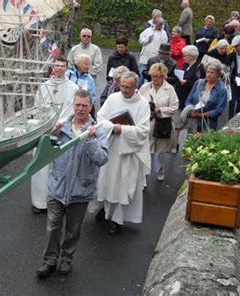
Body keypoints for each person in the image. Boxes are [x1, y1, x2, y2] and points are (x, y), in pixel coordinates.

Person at [36, 89, 108, 279]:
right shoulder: (62, 126)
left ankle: (66, 259)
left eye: (84, 105)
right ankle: (50, 260)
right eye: (77, 104)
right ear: (73, 105)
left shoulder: (98, 130)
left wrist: (91, 140)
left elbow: (102, 158)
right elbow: (46, 152)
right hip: (57, 186)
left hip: (80, 190)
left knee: (73, 229)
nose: (80, 109)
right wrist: (53, 135)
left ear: (91, 107)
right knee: (52, 226)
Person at [93, 71, 150, 235]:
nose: (124, 90)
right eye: (122, 86)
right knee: (106, 181)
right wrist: (112, 127)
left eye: (128, 87)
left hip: (128, 152)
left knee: (121, 185)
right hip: (110, 148)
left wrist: (122, 129)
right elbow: (100, 118)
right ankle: (104, 210)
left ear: (136, 86)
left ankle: (117, 220)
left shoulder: (143, 104)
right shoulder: (113, 98)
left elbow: (143, 131)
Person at [31, 56, 79, 213]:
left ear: (66, 67)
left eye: (62, 66)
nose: (59, 68)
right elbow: (37, 107)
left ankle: (59, 200)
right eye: (57, 65)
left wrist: (60, 124)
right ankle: (39, 202)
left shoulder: (73, 88)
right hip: (43, 131)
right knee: (41, 167)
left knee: (61, 167)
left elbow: (72, 109)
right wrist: (45, 125)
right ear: (52, 67)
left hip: (62, 130)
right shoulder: (44, 86)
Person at [139, 63, 178, 180]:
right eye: (153, 76)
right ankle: (144, 172)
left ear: (163, 77)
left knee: (160, 150)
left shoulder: (170, 89)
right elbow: (138, 103)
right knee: (145, 148)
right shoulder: (145, 87)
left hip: (162, 123)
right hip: (147, 123)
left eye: (158, 76)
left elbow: (174, 107)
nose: (155, 79)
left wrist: (160, 110)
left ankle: (160, 169)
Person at [173, 45, 205, 152]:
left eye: (185, 55)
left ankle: (189, 147)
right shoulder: (185, 65)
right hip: (180, 97)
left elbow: (200, 83)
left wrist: (187, 82)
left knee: (191, 125)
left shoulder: (199, 67)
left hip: (190, 99)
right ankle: (175, 145)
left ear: (191, 56)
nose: (184, 57)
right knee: (176, 123)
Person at [184, 60, 228, 132]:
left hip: (208, 125)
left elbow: (219, 110)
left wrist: (201, 115)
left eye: (212, 73)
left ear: (218, 74)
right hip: (193, 123)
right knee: (190, 142)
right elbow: (188, 99)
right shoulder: (198, 83)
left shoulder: (222, 90)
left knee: (204, 143)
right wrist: (190, 110)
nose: (208, 75)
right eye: (207, 72)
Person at [138, 18, 168, 86]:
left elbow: (164, 45)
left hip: (155, 60)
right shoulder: (148, 31)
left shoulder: (164, 33)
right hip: (144, 59)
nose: (159, 26)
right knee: (141, 78)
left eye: (161, 25)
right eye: (158, 24)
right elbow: (140, 40)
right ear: (155, 24)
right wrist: (147, 40)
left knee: (152, 78)